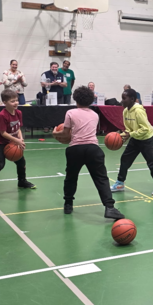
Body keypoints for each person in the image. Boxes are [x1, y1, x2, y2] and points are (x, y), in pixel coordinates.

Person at [52, 86, 124, 218]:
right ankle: (109, 207)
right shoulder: (95, 115)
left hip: (75, 149)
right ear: (91, 100)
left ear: (75, 98)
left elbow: (66, 134)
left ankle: (68, 204)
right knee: (101, 178)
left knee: (71, 178)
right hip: (93, 149)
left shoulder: (70, 112)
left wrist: (55, 133)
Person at [110, 89, 153, 197]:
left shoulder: (138, 111)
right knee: (125, 159)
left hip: (147, 138)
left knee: (152, 163)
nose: (121, 101)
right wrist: (122, 136)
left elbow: (145, 129)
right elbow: (129, 128)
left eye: (124, 98)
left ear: (132, 99)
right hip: (136, 137)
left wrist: (130, 134)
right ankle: (120, 183)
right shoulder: (125, 111)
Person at [0, 89, 36, 198]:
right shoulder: (2, 115)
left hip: (12, 141)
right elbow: (3, 133)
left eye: (16, 100)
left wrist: (20, 139)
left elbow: (18, 128)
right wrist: (16, 140)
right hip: (0, 142)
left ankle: (22, 181)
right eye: (12, 101)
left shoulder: (18, 113)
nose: (16, 103)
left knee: (21, 162)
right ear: (4, 102)